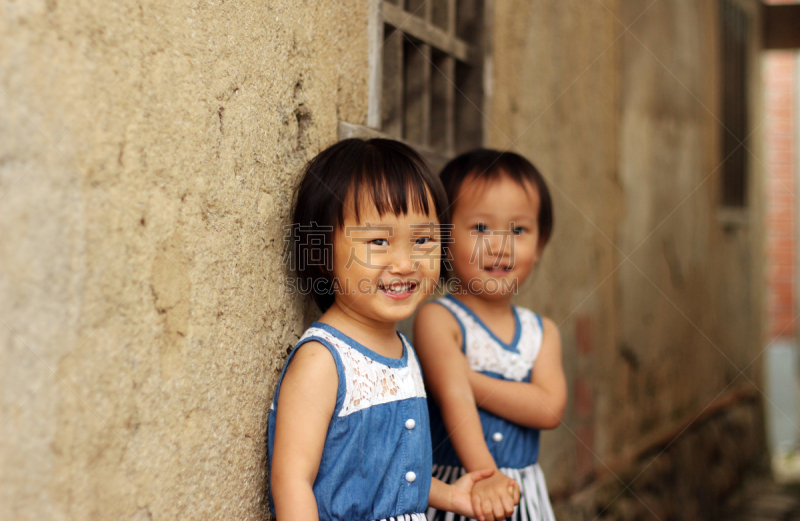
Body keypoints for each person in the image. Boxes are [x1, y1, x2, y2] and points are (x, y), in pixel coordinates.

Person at [268, 139, 516, 521]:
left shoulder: (402, 349)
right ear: (321, 252)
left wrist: (451, 497)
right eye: (378, 241)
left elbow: (389, 473)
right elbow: (292, 481)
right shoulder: (323, 360)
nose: (404, 263)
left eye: (422, 240)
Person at [416, 149, 566, 521]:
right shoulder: (439, 318)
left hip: (522, 494)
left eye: (519, 230)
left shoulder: (541, 332)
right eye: (480, 228)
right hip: (462, 487)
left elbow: (550, 408)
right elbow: (454, 397)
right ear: (445, 238)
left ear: (540, 245)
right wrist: (486, 477)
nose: (499, 245)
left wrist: (468, 379)